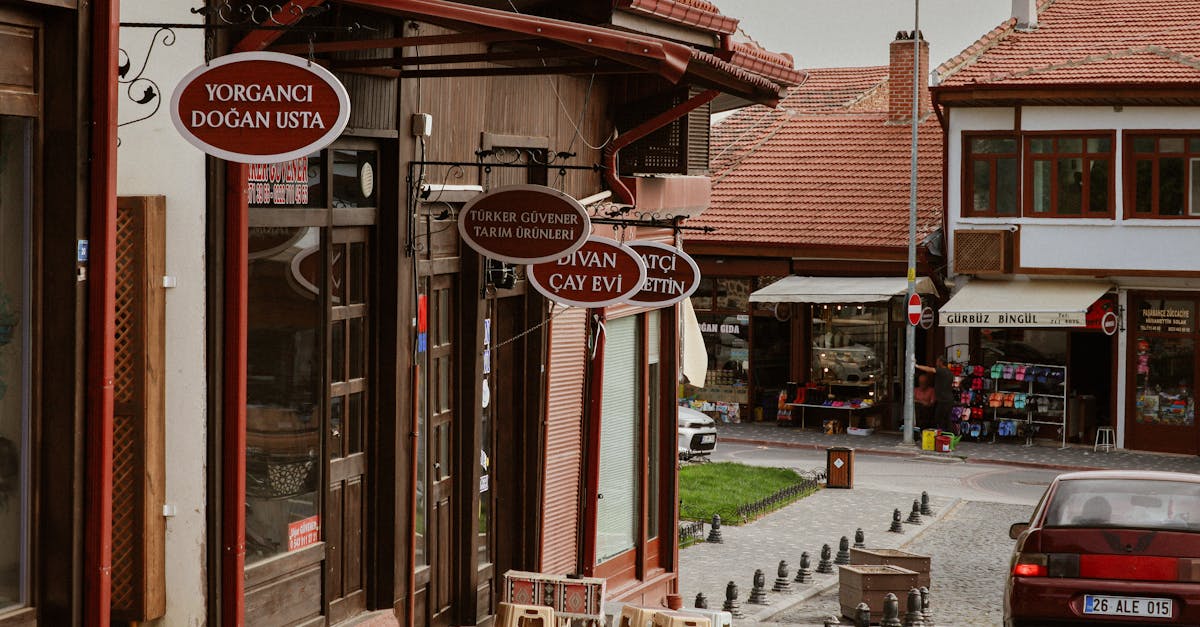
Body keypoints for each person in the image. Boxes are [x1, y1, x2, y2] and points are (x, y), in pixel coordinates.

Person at [915, 357, 954, 433]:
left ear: (941, 363)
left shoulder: (942, 371)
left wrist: (917, 366)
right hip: (949, 399)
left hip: (943, 400)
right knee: (947, 419)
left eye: (937, 362)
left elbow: (930, 369)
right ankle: (949, 436)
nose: (936, 364)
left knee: (939, 418)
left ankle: (943, 435)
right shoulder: (950, 373)